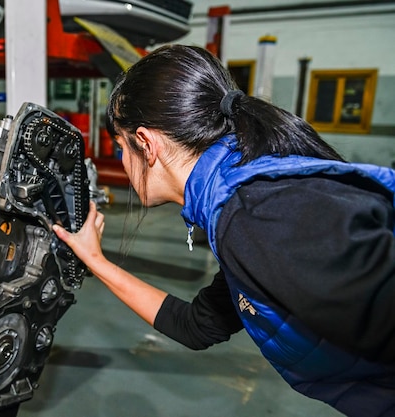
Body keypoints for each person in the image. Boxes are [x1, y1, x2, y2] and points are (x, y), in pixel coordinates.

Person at [52, 44, 395, 417]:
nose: (120, 159)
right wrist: (94, 259)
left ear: (147, 144)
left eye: (120, 146)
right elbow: (194, 327)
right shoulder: (235, 205)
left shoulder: (258, 215)